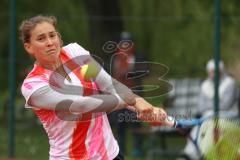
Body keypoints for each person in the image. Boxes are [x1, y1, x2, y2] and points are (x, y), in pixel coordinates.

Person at [19, 15, 172, 160]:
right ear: (28, 47)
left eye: (52, 35)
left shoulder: (76, 53)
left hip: (111, 154)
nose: (50, 42)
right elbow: (83, 103)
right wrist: (134, 101)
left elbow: (108, 84)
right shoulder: (34, 86)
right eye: (41, 39)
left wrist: (147, 108)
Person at [183, 59, 238, 160]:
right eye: (211, 72)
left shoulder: (230, 83)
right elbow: (200, 107)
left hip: (228, 117)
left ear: (221, 71)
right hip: (208, 118)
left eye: (215, 71)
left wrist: (210, 104)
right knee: (198, 129)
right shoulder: (205, 85)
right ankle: (191, 153)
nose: (213, 74)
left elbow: (225, 105)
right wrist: (215, 103)